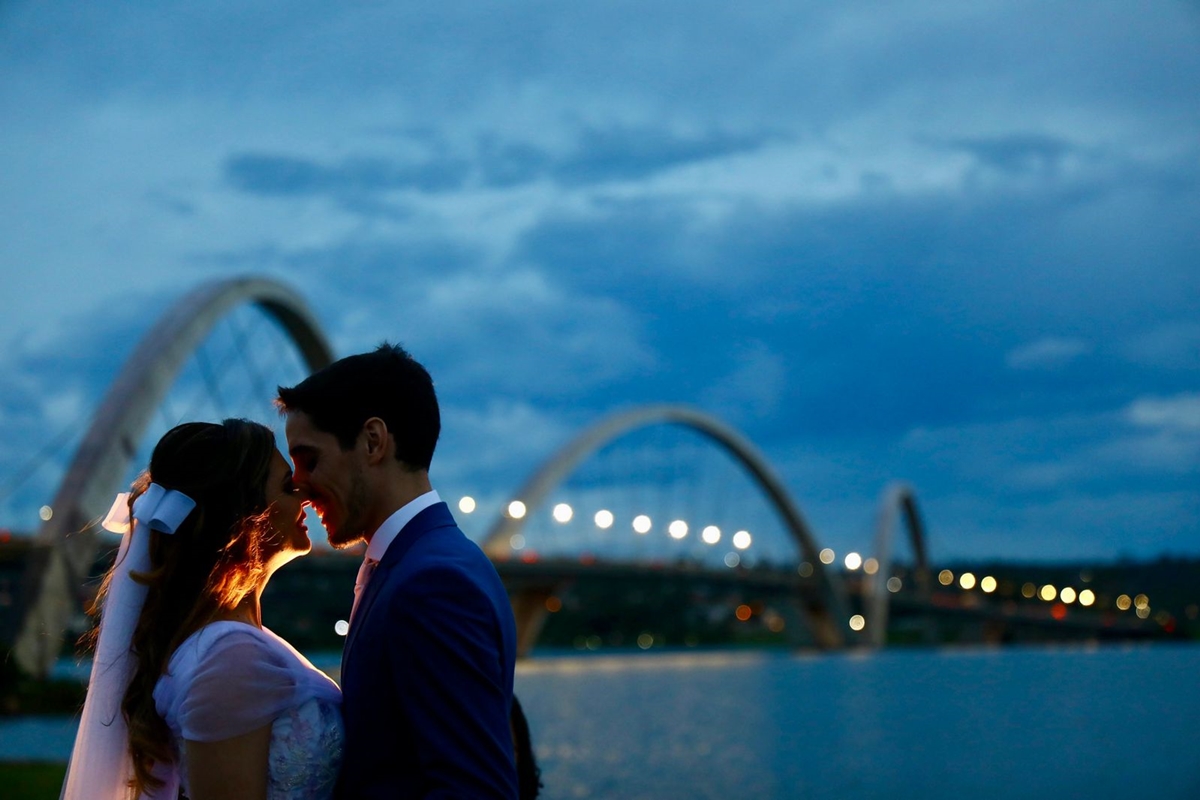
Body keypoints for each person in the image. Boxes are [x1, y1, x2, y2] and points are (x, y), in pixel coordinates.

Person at [277, 342, 519, 799]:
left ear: (372, 441)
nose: (298, 485)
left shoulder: (433, 585)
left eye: (310, 459)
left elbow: (474, 789)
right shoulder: (420, 563)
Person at [61, 419, 343, 800]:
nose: (305, 497)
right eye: (287, 487)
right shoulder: (230, 659)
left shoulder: (227, 644)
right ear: (244, 517)